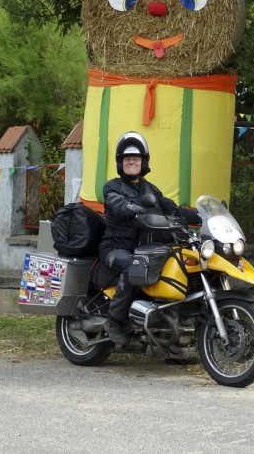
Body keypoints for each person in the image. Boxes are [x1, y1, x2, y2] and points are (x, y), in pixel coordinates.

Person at [99, 131, 199, 345]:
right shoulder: (112, 187)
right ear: (120, 163)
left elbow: (173, 209)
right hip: (115, 249)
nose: (131, 161)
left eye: (136, 158)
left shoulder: (150, 189)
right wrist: (135, 209)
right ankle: (114, 321)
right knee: (133, 267)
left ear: (144, 162)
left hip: (145, 249)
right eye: (127, 159)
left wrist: (201, 215)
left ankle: (171, 335)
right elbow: (119, 205)